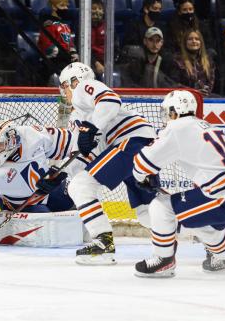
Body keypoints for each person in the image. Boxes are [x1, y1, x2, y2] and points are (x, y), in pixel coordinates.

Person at [133, 90, 225, 277]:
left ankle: (164, 260)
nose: (166, 117)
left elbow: (142, 162)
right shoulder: (206, 125)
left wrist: (141, 176)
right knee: (204, 226)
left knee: (161, 206)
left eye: (167, 112)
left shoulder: (177, 128)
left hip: (223, 194)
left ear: (174, 111)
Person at [60, 62, 157, 265]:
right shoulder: (80, 115)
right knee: (149, 212)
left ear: (73, 81)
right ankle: (212, 233)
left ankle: (103, 244)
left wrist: (92, 128)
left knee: (80, 186)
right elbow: (87, 154)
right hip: (138, 145)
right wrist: (58, 175)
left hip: (131, 142)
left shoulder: (82, 89)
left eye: (63, 85)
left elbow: (111, 100)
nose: (63, 92)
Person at [37, 0, 79, 69]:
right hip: (52, 62)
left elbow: (69, 42)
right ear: (53, 7)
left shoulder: (65, 25)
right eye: (62, 5)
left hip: (65, 60)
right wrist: (65, 55)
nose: (66, 8)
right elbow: (48, 47)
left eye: (66, 5)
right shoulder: (48, 25)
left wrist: (73, 53)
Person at [171, 30, 215, 96]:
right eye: (190, 39)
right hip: (184, 97)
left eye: (197, 39)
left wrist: (204, 91)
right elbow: (174, 84)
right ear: (185, 42)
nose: (194, 41)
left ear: (201, 42)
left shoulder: (208, 61)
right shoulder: (177, 60)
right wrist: (194, 92)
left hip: (205, 97)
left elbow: (211, 82)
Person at [90, 0, 106, 78]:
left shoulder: (108, 27)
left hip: (106, 61)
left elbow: (114, 47)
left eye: (100, 8)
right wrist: (96, 63)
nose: (97, 11)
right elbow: (83, 49)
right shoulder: (83, 26)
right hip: (91, 61)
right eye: (94, 8)